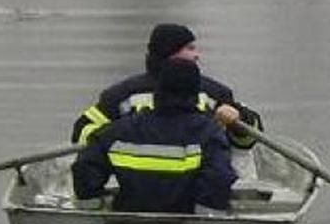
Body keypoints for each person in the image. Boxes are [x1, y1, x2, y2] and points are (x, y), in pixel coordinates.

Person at [72, 58, 238, 214]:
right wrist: (202, 220)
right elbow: (219, 178)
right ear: (196, 93)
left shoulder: (120, 130)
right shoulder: (208, 133)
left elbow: (85, 169)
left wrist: (99, 206)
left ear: (157, 90)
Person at [71, 22, 261, 147]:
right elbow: (82, 130)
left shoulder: (215, 93)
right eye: (189, 48)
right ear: (170, 52)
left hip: (200, 178)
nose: (197, 55)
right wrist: (113, 136)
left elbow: (252, 136)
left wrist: (237, 121)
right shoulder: (121, 96)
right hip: (136, 180)